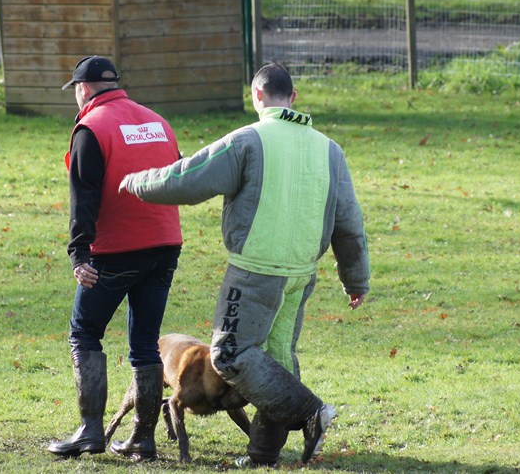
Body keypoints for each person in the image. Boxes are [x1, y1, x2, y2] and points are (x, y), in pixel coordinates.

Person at [119, 62, 370, 467]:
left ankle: (311, 412)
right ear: (294, 98)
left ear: (256, 95)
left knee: (230, 354)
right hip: (301, 274)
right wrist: (355, 278)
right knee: (278, 360)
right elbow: (349, 223)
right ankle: (263, 454)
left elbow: (189, 177)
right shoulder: (330, 150)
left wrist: (137, 182)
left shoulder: (249, 140)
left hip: (255, 271)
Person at [47, 56, 182, 462]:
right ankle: (142, 438)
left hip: (115, 249)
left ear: (83, 88)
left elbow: (84, 195)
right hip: (164, 244)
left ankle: (90, 430)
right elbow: (178, 172)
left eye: (75, 89)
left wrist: (79, 252)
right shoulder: (157, 121)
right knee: (144, 343)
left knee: (85, 332)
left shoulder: (92, 127)